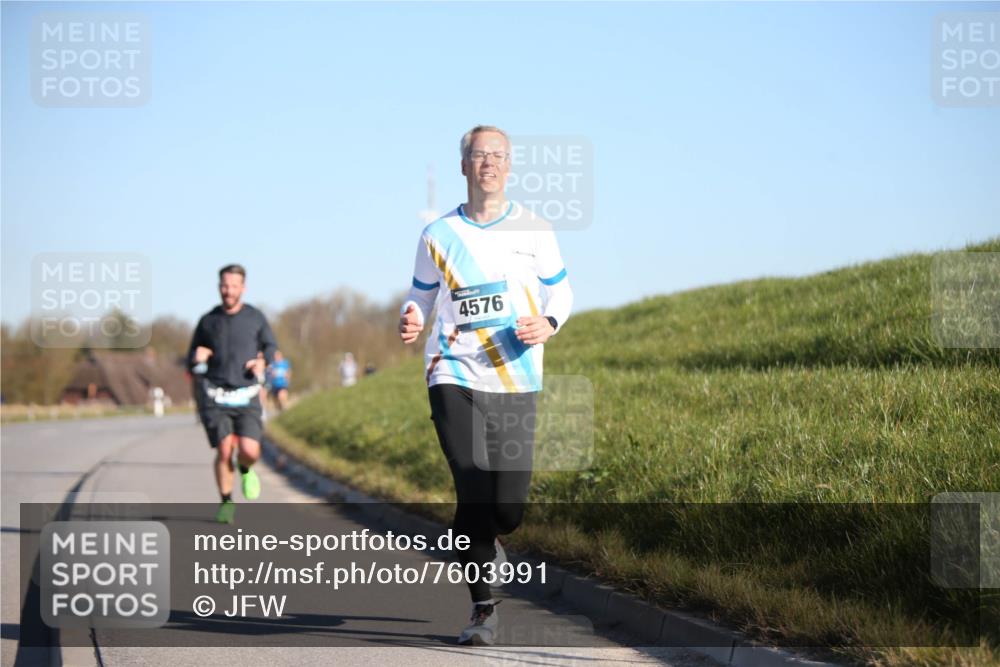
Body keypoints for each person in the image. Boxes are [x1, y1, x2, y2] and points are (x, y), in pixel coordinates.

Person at [398, 125, 573, 646]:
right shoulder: (438, 234)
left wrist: (549, 324)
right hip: (453, 372)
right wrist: (411, 315)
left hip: (517, 376)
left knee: (507, 511)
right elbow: (421, 296)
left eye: (497, 155)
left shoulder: (535, 230)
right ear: (464, 165)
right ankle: (482, 609)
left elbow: (560, 294)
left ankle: (485, 541)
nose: (488, 163)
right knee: (472, 488)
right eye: (479, 155)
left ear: (510, 165)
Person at [188, 264, 278, 524]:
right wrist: (197, 358)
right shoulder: (208, 321)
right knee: (225, 449)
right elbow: (191, 359)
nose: (228, 291)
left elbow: (271, 346)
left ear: (243, 288)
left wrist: (263, 362)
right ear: (219, 287)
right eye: (224, 286)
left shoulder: (256, 318)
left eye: (233, 286)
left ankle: (246, 468)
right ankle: (226, 500)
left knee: (250, 450)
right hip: (216, 396)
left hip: (247, 394)